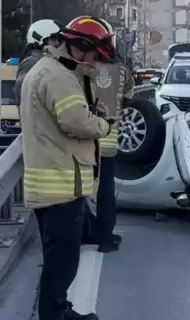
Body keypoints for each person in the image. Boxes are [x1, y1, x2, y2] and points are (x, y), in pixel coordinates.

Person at [20, 16, 115, 320]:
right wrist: (103, 123)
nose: (94, 63)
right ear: (80, 47)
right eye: (94, 56)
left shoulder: (51, 69)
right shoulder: (59, 76)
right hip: (59, 187)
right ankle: (53, 314)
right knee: (62, 265)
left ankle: (60, 309)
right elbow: (76, 122)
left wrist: (90, 109)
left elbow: (69, 112)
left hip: (54, 182)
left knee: (58, 261)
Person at [80, 17, 135, 253]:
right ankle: (105, 238)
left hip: (83, 138)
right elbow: (129, 98)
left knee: (78, 189)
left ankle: (82, 232)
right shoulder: (123, 71)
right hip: (109, 139)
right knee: (105, 192)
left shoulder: (83, 66)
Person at [14, 19, 64, 105]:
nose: (57, 43)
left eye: (58, 40)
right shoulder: (30, 63)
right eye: (54, 39)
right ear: (40, 39)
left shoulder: (50, 62)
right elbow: (23, 95)